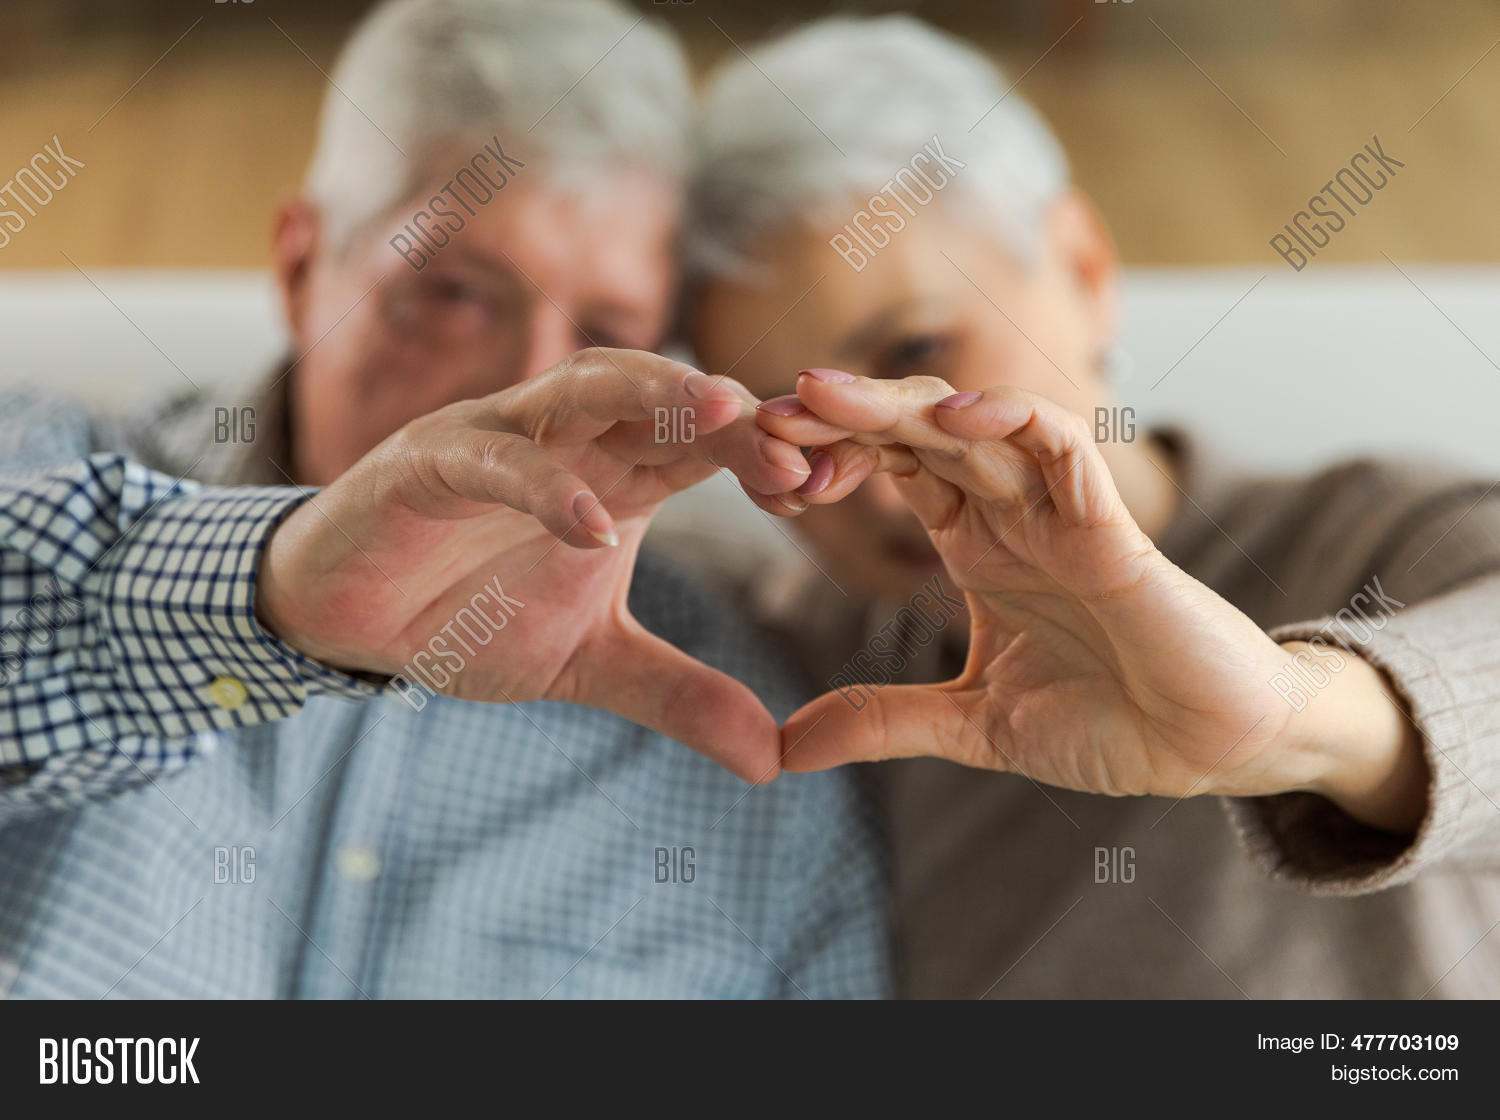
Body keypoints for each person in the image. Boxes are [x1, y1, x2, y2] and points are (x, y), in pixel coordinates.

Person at [0, 0, 888, 999]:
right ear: (301, 266)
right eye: (459, 295)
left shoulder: (733, 722)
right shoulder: (29, 466)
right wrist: (274, 592)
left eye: (610, 331)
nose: (537, 391)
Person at [681, 14, 1500, 997]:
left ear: (1083, 267)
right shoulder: (808, 660)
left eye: (916, 355)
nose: (879, 469)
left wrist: (1300, 723)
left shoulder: (1383, 533)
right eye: (791, 427)